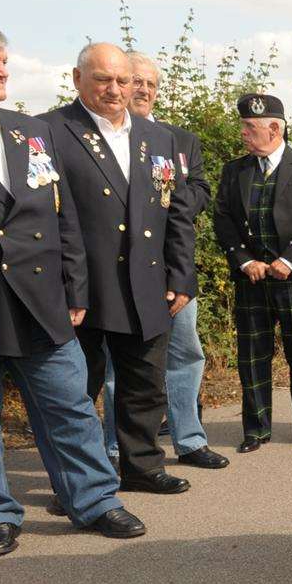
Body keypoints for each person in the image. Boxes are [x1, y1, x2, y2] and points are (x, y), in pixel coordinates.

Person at [0, 18, 146, 557]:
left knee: (69, 406)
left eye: (4, 59)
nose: (2, 68)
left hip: (40, 300)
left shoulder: (30, 130)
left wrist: (76, 288)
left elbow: (62, 214)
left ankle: (92, 501)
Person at [39, 44, 194, 495]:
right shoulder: (48, 131)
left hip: (148, 281)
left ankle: (142, 467)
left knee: (144, 383)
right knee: (76, 390)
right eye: (103, 79)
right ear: (76, 78)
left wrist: (181, 274)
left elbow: (177, 211)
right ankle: (77, 483)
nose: (115, 89)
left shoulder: (158, 137)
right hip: (79, 286)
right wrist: (62, 284)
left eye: (123, 80)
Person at [97, 52, 225, 470]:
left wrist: (171, 203)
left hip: (171, 268)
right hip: (122, 278)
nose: (144, 90)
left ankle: (188, 440)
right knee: (122, 366)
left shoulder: (177, 140)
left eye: (151, 83)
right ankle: (119, 447)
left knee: (186, 354)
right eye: (136, 81)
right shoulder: (101, 141)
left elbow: (196, 193)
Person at [213, 93, 292, 452]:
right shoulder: (235, 171)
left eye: (250, 128)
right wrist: (245, 260)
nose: (244, 134)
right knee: (252, 356)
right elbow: (223, 219)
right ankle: (256, 429)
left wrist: (291, 259)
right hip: (253, 278)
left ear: (275, 128)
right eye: (244, 126)